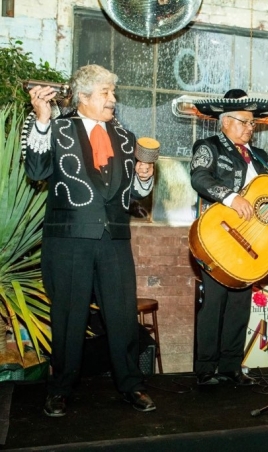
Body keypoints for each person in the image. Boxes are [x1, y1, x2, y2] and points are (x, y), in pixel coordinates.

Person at [22, 64, 156, 417]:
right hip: (69, 240)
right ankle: (60, 388)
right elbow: (35, 171)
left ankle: (131, 384)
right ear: (83, 97)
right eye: (105, 93)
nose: (113, 99)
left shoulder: (127, 138)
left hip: (113, 239)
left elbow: (133, 195)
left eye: (113, 93)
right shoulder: (56, 126)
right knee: (68, 316)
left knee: (122, 315)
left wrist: (145, 176)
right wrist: (41, 117)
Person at [190, 89, 268, 385]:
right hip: (218, 237)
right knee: (215, 302)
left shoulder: (260, 157)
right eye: (244, 122)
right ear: (225, 122)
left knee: (240, 304)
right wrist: (231, 198)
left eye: (252, 123)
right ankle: (205, 369)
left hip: (250, 243)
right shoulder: (208, 146)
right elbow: (199, 177)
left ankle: (231, 367)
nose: (250, 128)